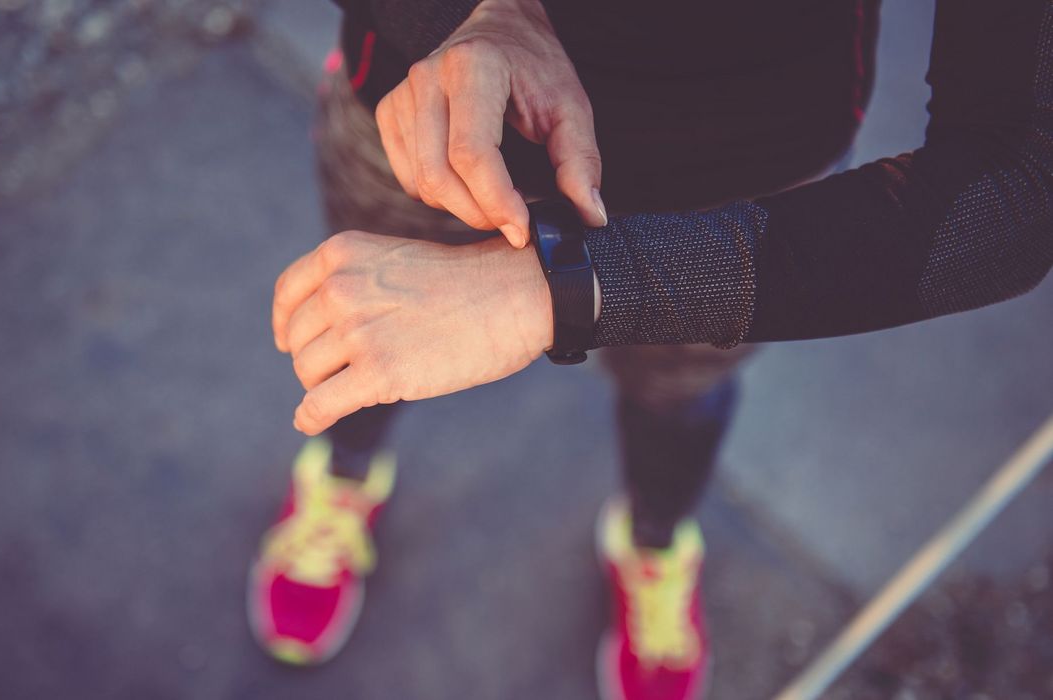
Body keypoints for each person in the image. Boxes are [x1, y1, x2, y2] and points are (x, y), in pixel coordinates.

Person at [249, 1, 1053, 697]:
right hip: (435, 100)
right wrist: (465, 14)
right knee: (363, 334)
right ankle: (342, 479)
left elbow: (1017, 186)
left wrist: (561, 290)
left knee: (676, 396)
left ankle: (654, 540)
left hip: (744, 177)